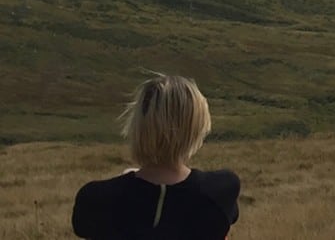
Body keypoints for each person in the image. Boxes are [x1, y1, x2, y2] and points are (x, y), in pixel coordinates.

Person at [72, 74, 240, 239]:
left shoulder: (97, 199)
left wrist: (126, 185)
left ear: (138, 125)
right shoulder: (220, 191)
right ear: (195, 129)